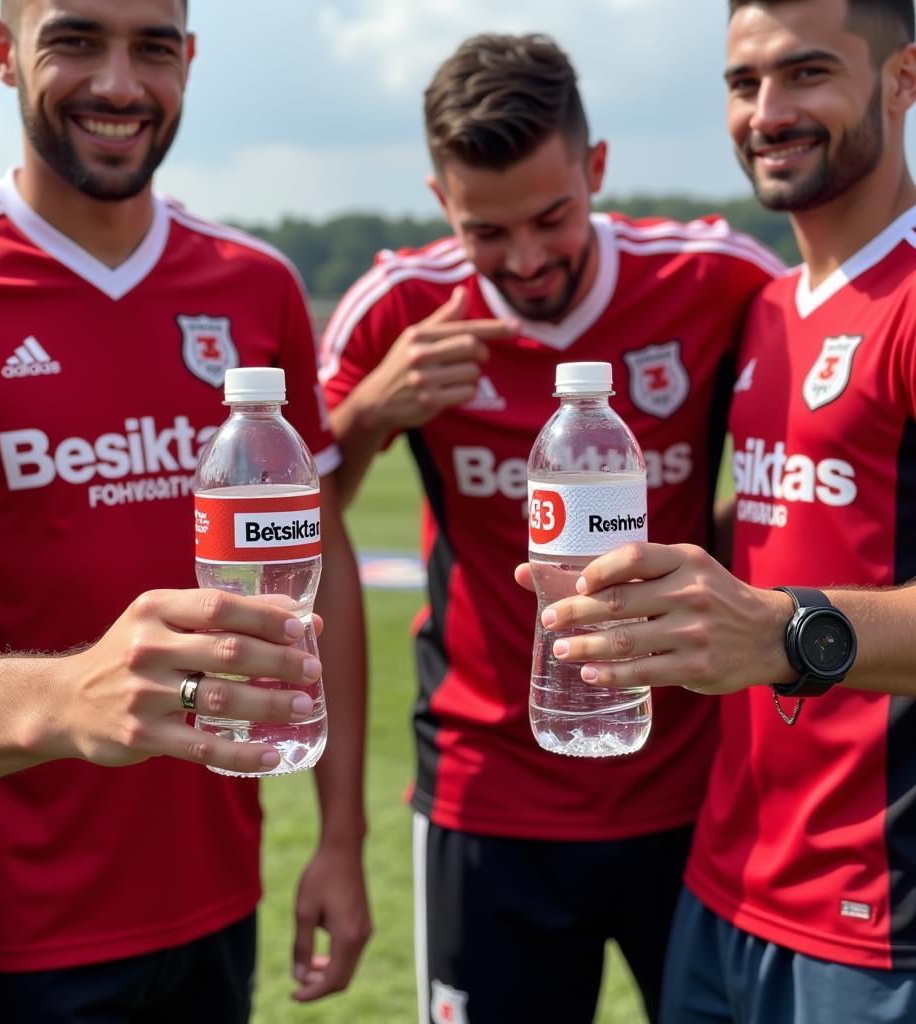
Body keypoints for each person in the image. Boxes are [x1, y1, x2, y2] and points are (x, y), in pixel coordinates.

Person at [0, 1, 370, 1021]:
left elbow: (321, 553)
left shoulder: (256, 283)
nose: (118, 84)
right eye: (74, 40)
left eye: (152, 47)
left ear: (188, 61)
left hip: (214, 892)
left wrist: (338, 838)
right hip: (6, 916)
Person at [319, 31, 784, 1024]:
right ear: (442, 202)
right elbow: (304, 510)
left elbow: (809, 474)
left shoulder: (717, 276)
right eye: (487, 232)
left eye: (553, 216)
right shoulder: (399, 309)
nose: (525, 261)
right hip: (490, 790)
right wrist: (370, 414)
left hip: (693, 788)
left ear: (597, 169)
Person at [525, 0, 916, 1020]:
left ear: (902, 80)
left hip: (880, 917)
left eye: (807, 74)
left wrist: (785, 629)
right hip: (725, 883)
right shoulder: (771, 308)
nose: (767, 111)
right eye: (743, 84)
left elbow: (781, 617)